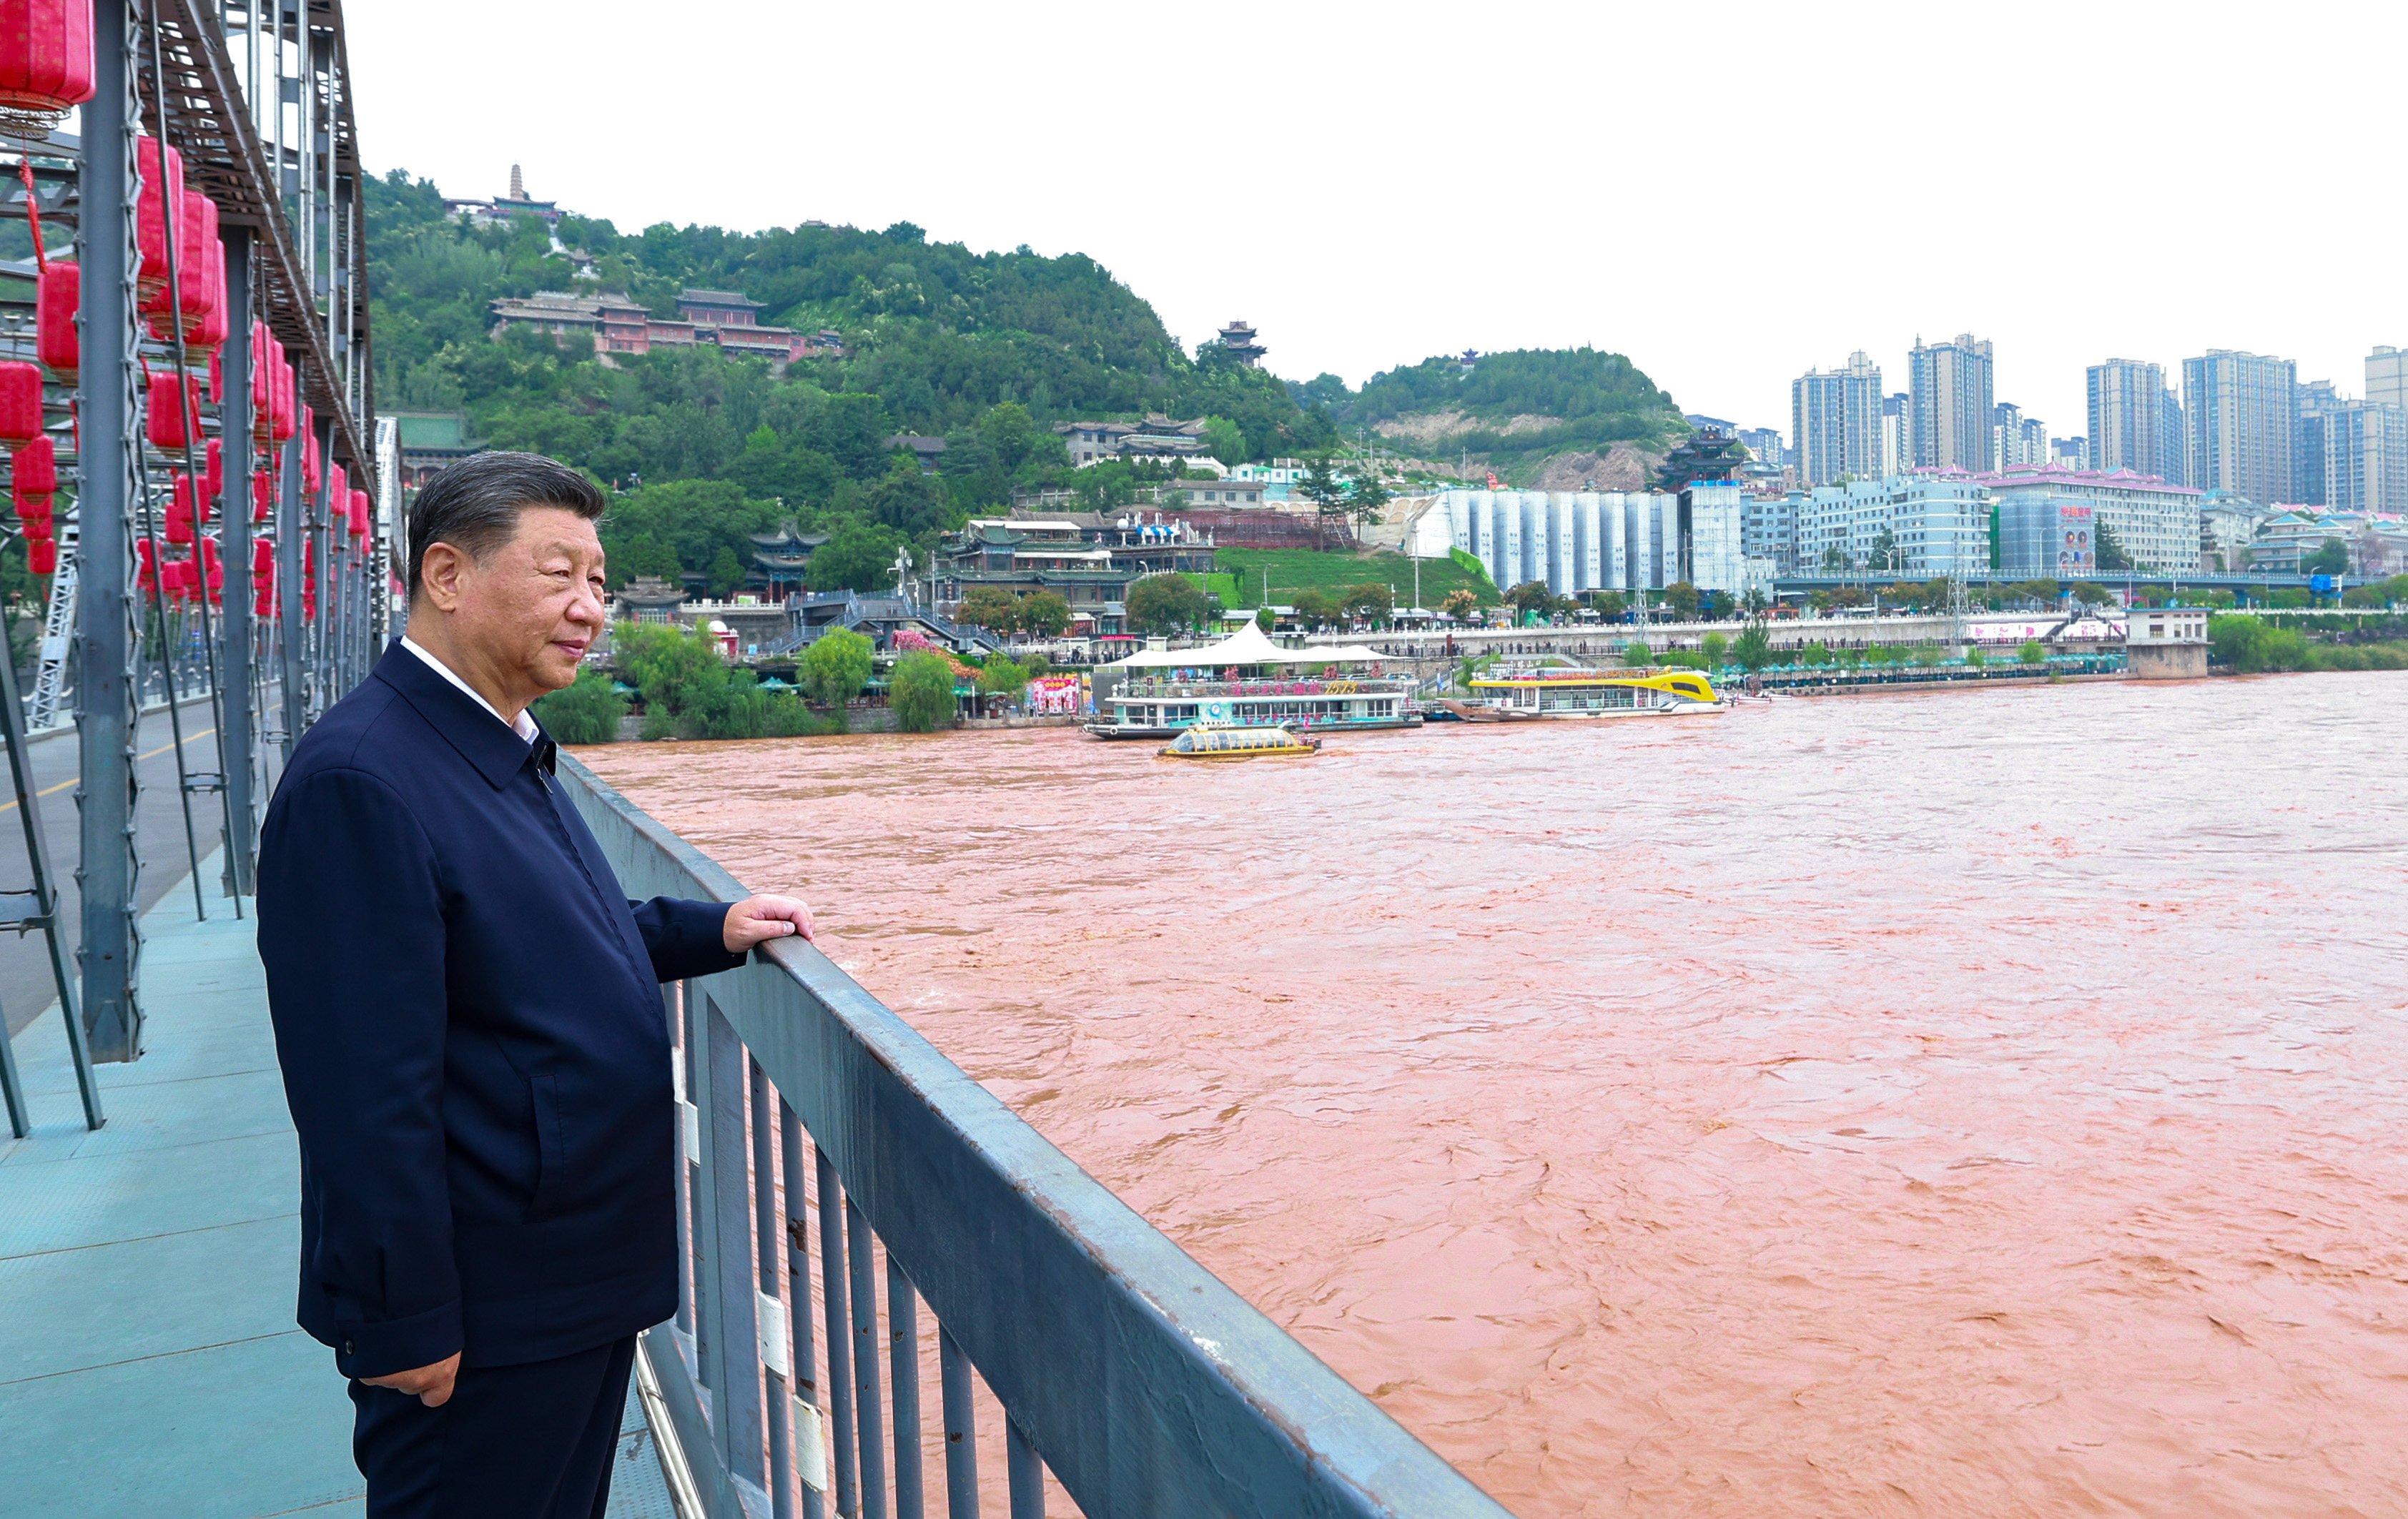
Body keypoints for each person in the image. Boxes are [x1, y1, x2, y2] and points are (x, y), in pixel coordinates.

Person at [257, 451, 813, 1518]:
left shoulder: (498, 744)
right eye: (559, 573)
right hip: (484, 1304)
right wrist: (405, 1313)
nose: (589, 607)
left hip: (563, 1276)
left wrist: (713, 926)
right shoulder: (363, 780)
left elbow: (544, 937)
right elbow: (362, 1088)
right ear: (448, 575)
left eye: (599, 582)